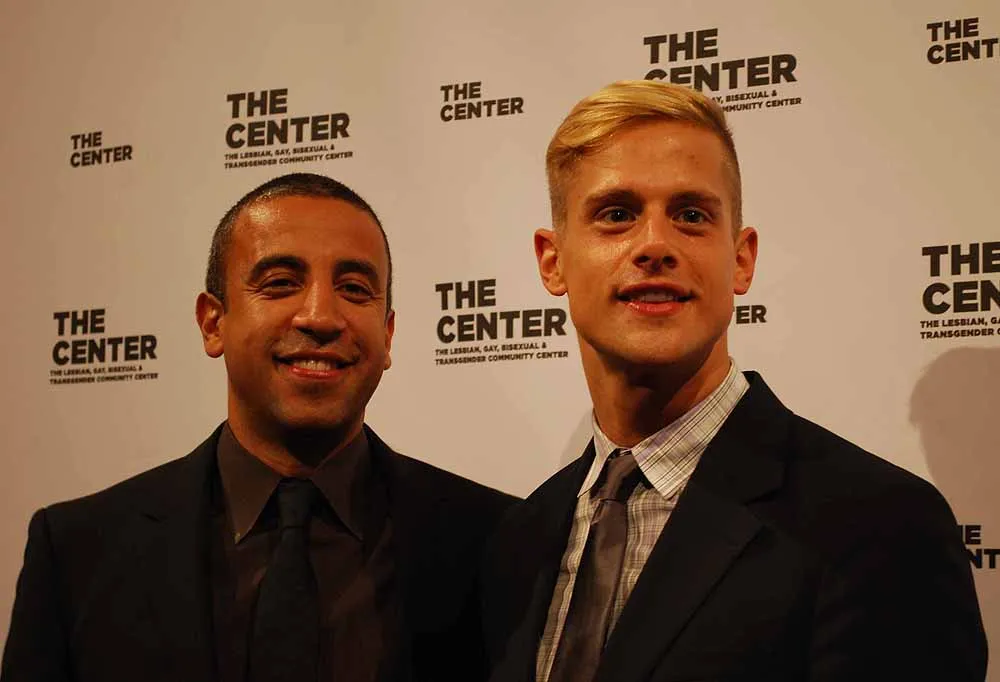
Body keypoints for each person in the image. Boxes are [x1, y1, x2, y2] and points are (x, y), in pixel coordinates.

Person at [481, 81, 986, 681]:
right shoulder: (520, 538)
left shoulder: (882, 526)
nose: (655, 244)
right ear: (553, 260)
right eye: (616, 214)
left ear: (741, 259)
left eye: (691, 216)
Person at [3, 172, 515, 682]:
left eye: (354, 289)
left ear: (387, 334)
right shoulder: (75, 551)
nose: (320, 316)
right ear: (213, 323)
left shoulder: (499, 542)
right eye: (281, 284)